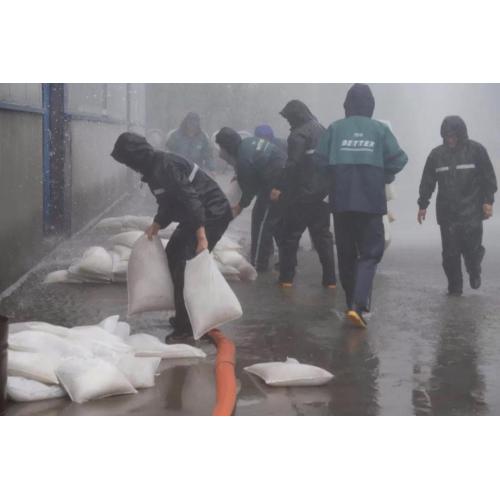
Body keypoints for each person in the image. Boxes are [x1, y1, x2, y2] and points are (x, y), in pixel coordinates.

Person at [111, 132, 232, 341]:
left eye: (127, 161)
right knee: (173, 255)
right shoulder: (152, 169)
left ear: (135, 156)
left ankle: (187, 329)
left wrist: (202, 237)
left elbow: (190, 198)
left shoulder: (164, 166)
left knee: (185, 267)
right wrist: (157, 224)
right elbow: (167, 202)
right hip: (197, 214)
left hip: (211, 213)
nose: (129, 166)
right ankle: (186, 317)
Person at [316, 83, 408, 328]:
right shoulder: (379, 130)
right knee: (370, 253)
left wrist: (335, 177)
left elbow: (320, 160)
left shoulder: (335, 128)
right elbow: (400, 159)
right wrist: (382, 174)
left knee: (346, 253)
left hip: (342, 201)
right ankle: (358, 305)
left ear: (346, 105)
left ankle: (350, 306)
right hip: (370, 201)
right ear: (371, 105)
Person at [417, 116, 497, 296]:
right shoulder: (436, 155)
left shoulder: (477, 151)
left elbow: (488, 178)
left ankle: (474, 268)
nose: (450, 140)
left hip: (472, 213)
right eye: (447, 136)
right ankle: (455, 287)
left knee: (472, 249)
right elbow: (427, 181)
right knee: (450, 254)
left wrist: (488, 201)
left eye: (453, 136)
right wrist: (423, 205)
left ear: (461, 135)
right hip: (447, 214)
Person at [276, 100, 337, 289]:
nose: (287, 122)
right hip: (322, 195)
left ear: (295, 116)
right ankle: (330, 280)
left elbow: (292, 165)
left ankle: (286, 279)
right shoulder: (322, 129)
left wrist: (279, 187)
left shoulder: (298, 134)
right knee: (323, 237)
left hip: (300, 196)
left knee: (290, 236)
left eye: (288, 118)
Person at [215, 127, 285, 272]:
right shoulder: (246, 144)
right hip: (281, 177)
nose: (221, 152)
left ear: (227, 146)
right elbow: (252, 169)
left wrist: (240, 206)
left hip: (276, 183)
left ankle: (258, 263)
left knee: (261, 221)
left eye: (221, 147)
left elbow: (249, 189)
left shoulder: (243, 159)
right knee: (274, 222)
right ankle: (286, 260)